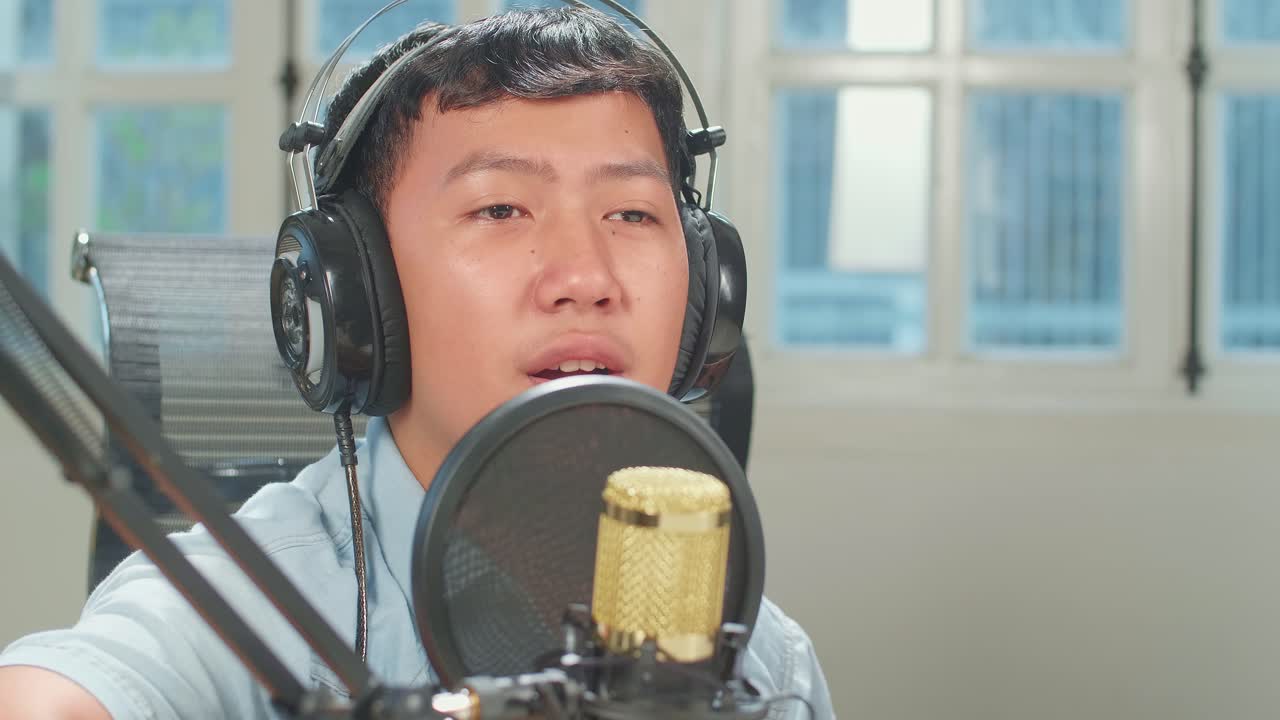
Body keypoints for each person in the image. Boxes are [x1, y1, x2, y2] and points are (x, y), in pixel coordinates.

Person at [0, 7, 833, 718]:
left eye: (632, 214)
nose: (586, 278)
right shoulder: (246, 610)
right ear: (360, 296)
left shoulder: (763, 662)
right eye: (500, 209)